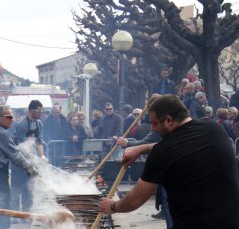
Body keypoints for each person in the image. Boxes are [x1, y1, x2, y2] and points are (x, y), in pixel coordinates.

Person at [99, 95, 239, 228]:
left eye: (154, 123)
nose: (152, 128)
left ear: (169, 120)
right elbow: (183, 145)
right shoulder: (213, 128)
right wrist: (141, 148)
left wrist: (113, 206)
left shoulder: (162, 153)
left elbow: (136, 199)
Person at [0, 105, 38, 229]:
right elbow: (15, 155)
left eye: (12, 116)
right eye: (8, 117)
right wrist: (30, 168)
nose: (12, 119)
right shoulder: (1, 133)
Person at [11, 100, 45, 213]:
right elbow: (23, 146)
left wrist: (42, 157)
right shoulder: (22, 124)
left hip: (30, 159)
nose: (41, 113)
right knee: (17, 187)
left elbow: (39, 141)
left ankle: (26, 212)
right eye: (39, 111)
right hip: (18, 160)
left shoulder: (38, 123)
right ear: (32, 111)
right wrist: (33, 158)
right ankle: (15, 213)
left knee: (28, 186)